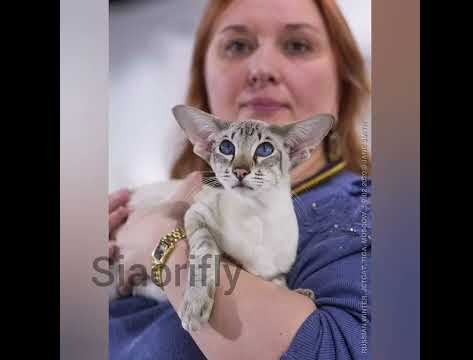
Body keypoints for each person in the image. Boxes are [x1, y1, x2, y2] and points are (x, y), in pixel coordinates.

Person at [108, 0, 372, 359]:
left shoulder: (373, 214)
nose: (262, 69)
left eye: (298, 45)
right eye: (237, 46)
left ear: (342, 79)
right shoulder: (168, 195)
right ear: (203, 79)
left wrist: (160, 239)